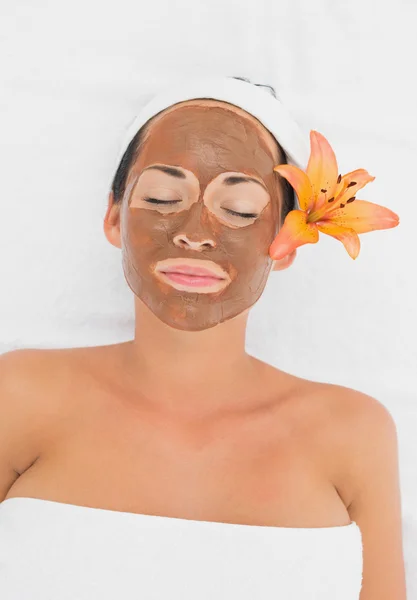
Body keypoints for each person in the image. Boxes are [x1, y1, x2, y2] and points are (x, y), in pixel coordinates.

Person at [0, 75, 406, 599]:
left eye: (239, 210)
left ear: (287, 241)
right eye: (165, 197)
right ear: (114, 217)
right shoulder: (21, 394)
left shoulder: (353, 433)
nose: (196, 232)